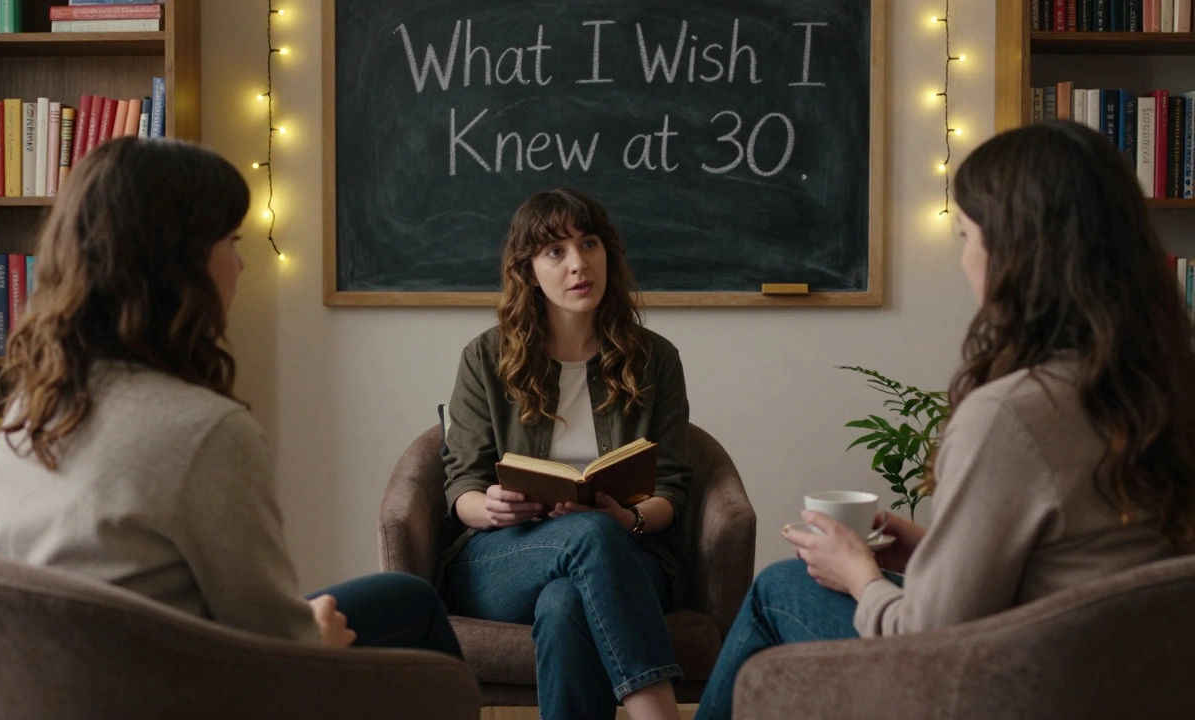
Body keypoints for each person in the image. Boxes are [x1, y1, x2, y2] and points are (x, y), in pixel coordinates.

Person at [694, 120, 1195, 720]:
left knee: (779, 588)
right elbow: (1084, 566)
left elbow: (930, 639)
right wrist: (931, 553)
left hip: (1018, 687)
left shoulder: (1012, 415)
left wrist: (858, 574)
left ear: (1015, 251)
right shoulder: (1165, 381)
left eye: (965, 235)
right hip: (1123, 678)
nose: (964, 260)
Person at [0, 137, 461, 657]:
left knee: (403, 598)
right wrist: (314, 636)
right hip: (181, 687)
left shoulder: (34, 405)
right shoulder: (204, 431)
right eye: (231, 242)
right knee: (413, 605)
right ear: (177, 265)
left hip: (61, 673)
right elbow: (275, 644)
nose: (242, 265)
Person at [441, 187, 691, 720]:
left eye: (590, 243)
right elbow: (460, 483)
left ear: (608, 253)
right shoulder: (486, 357)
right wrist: (490, 507)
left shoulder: (656, 360)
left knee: (565, 605)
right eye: (555, 251)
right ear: (530, 271)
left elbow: (672, 487)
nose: (579, 264)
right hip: (505, 555)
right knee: (590, 536)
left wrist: (630, 518)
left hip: (628, 551)